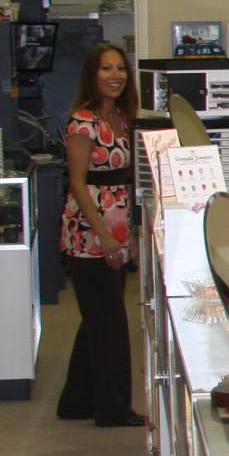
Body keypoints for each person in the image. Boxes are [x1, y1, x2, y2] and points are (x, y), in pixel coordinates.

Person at [57, 42, 143, 427]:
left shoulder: (123, 119)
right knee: (109, 322)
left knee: (97, 316)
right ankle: (113, 408)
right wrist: (105, 235)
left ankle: (75, 402)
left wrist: (131, 232)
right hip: (89, 234)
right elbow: (77, 183)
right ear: (93, 75)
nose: (115, 76)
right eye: (106, 69)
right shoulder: (83, 122)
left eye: (120, 68)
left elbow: (128, 179)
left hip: (118, 227)